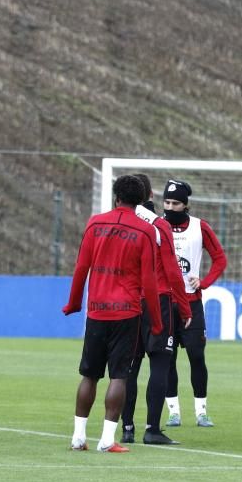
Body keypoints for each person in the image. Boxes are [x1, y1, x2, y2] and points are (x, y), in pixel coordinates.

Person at [63, 175, 161, 453]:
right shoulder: (145, 231)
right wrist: (156, 319)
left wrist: (74, 303)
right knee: (119, 376)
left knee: (89, 376)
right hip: (127, 313)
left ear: (116, 197)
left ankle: (78, 437)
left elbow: (81, 267)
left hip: (97, 311)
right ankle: (107, 440)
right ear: (141, 201)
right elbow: (149, 281)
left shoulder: (95, 223)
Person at [123, 175, 191, 445]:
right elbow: (173, 271)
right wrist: (185, 309)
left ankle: (126, 427)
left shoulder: (119, 222)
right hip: (158, 302)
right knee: (160, 364)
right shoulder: (160, 225)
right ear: (151, 194)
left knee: (129, 367)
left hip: (128, 301)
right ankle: (152, 428)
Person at [161, 179, 227, 427]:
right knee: (166, 358)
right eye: (166, 202)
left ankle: (201, 411)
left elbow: (220, 259)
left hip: (191, 302)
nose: (169, 207)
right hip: (165, 302)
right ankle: (173, 411)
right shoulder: (157, 226)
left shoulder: (200, 227)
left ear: (186, 205)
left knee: (196, 356)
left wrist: (205, 281)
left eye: (175, 203)